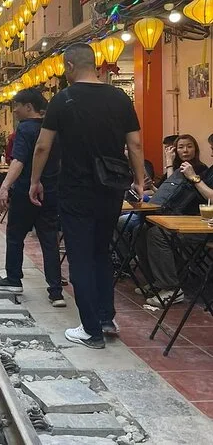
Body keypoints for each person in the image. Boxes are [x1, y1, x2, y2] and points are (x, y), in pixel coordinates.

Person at [29, 43, 144, 349]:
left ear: (69, 66)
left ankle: (91, 330)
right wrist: (140, 181)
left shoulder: (63, 99)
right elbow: (135, 144)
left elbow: (43, 146)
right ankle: (106, 318)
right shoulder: (120, 98)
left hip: (75, 188)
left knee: (80, 255)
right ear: (94, 64)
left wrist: (35, 180)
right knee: (101, 252)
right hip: (111, 188)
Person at [0, 88, 64, 307]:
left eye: (17, 106)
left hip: (26, 191)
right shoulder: (54, 129)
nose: (14, 111)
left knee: (15, 235)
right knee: (49, 240)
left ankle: (14, 279)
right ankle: (56, 291)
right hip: (51, 191)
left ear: (29, 107)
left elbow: (19, 161)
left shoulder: (25, 128)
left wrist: (4, 187)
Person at [134, 134, 210, 307]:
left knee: (157, 234)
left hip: (193, 221)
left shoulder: (200, 169)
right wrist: (151, 186)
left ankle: (171, 288)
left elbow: (177, 196)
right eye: (181, 147)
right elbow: (166, 194)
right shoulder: (179, 169)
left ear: (196, 149)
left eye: (189, 146)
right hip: (172, 216)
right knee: (141, 229)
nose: (185, 150)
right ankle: (157, 281)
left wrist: (172, 165)